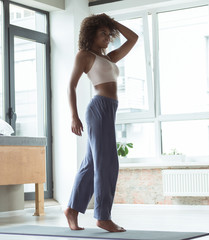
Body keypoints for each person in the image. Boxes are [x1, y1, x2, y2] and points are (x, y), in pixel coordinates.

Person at [64, 13, 138, 232]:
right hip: (98, 109)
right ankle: (103, 217)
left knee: (91, 165)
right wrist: (74, 116)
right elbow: (71, 86)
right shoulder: (84, 55)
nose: (107, 37)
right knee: (107, 164)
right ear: (91, 34)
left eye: (109, 34)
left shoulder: (110, 57)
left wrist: (112, 23)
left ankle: (71, 209)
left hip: (109, 110)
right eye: (102, 33)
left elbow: (133, 38)